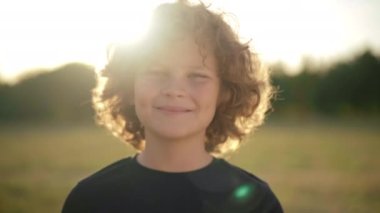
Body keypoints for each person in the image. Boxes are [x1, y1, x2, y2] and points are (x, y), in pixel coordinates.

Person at [62, 0, 283, 212]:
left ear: (224, 93)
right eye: (156, 73)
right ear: (130, 87)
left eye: (197, 76)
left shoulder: (257, 204)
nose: (174, 90)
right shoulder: (91, 199)